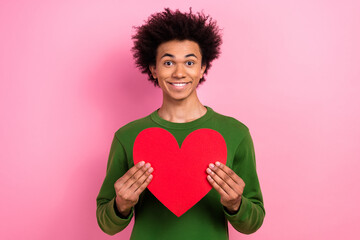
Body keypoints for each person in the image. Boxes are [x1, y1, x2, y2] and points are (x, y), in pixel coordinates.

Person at [96, 8, 265, 240]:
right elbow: (107, 224)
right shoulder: (127, 136)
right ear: (153, 69)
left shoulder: (235, 133)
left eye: (189, 62)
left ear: (203, 68)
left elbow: (252, 223)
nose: (179, 72)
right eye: (168, 63)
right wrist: (121, 205)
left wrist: (236, 204)